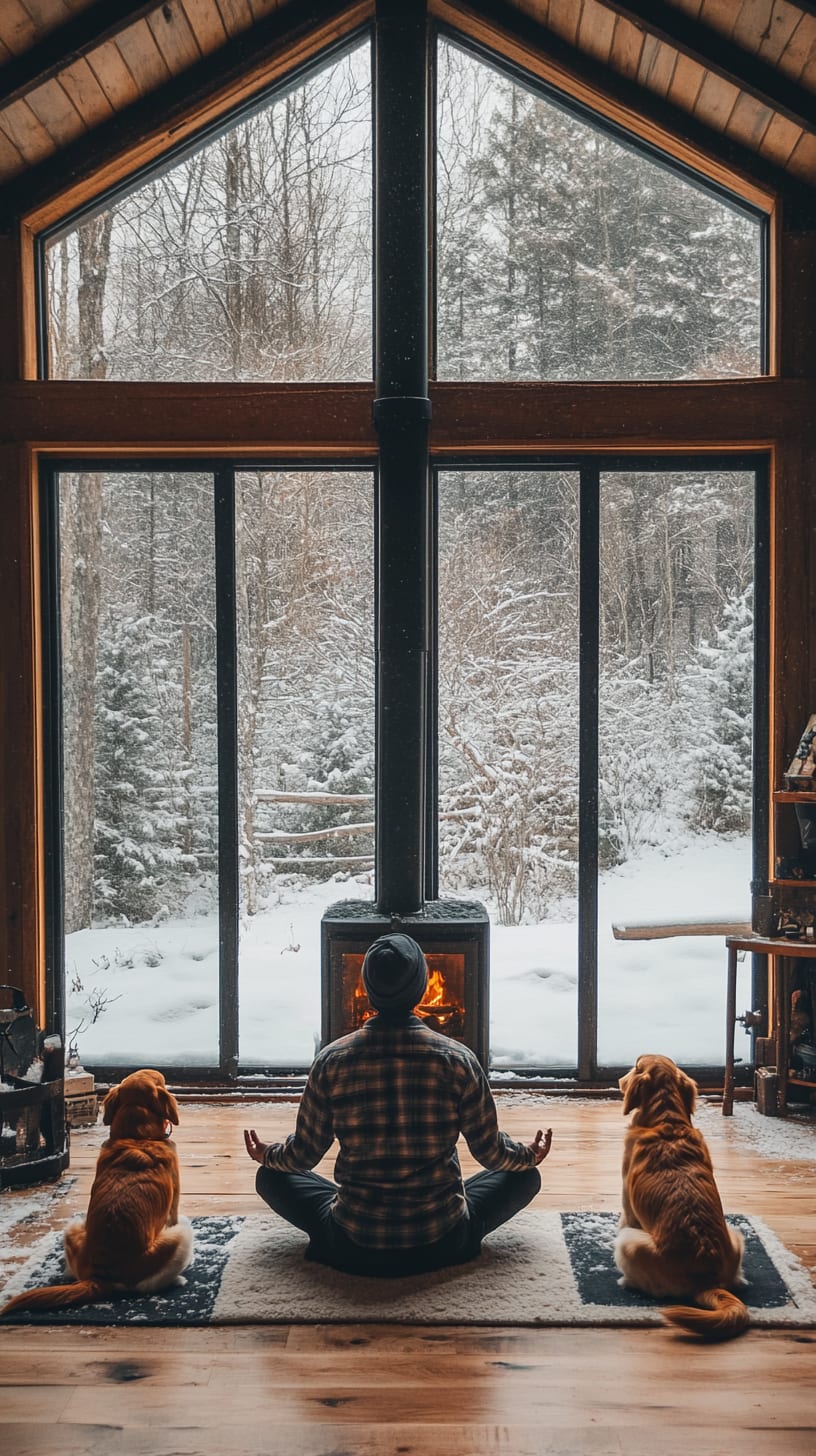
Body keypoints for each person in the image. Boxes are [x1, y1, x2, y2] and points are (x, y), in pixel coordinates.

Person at [244, 932, 552, 1277]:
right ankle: (440, 1221)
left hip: (352, 1242)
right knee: (525, 1179)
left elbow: (303, 1154)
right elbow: (491, 1153)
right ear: (422, 988)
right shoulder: (458, 1059)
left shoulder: (332, 1060)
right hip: (444, 1240)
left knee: (269, 1178)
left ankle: (354, 1233)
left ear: (367, 991)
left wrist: (268, 1156)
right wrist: (527, 1156)